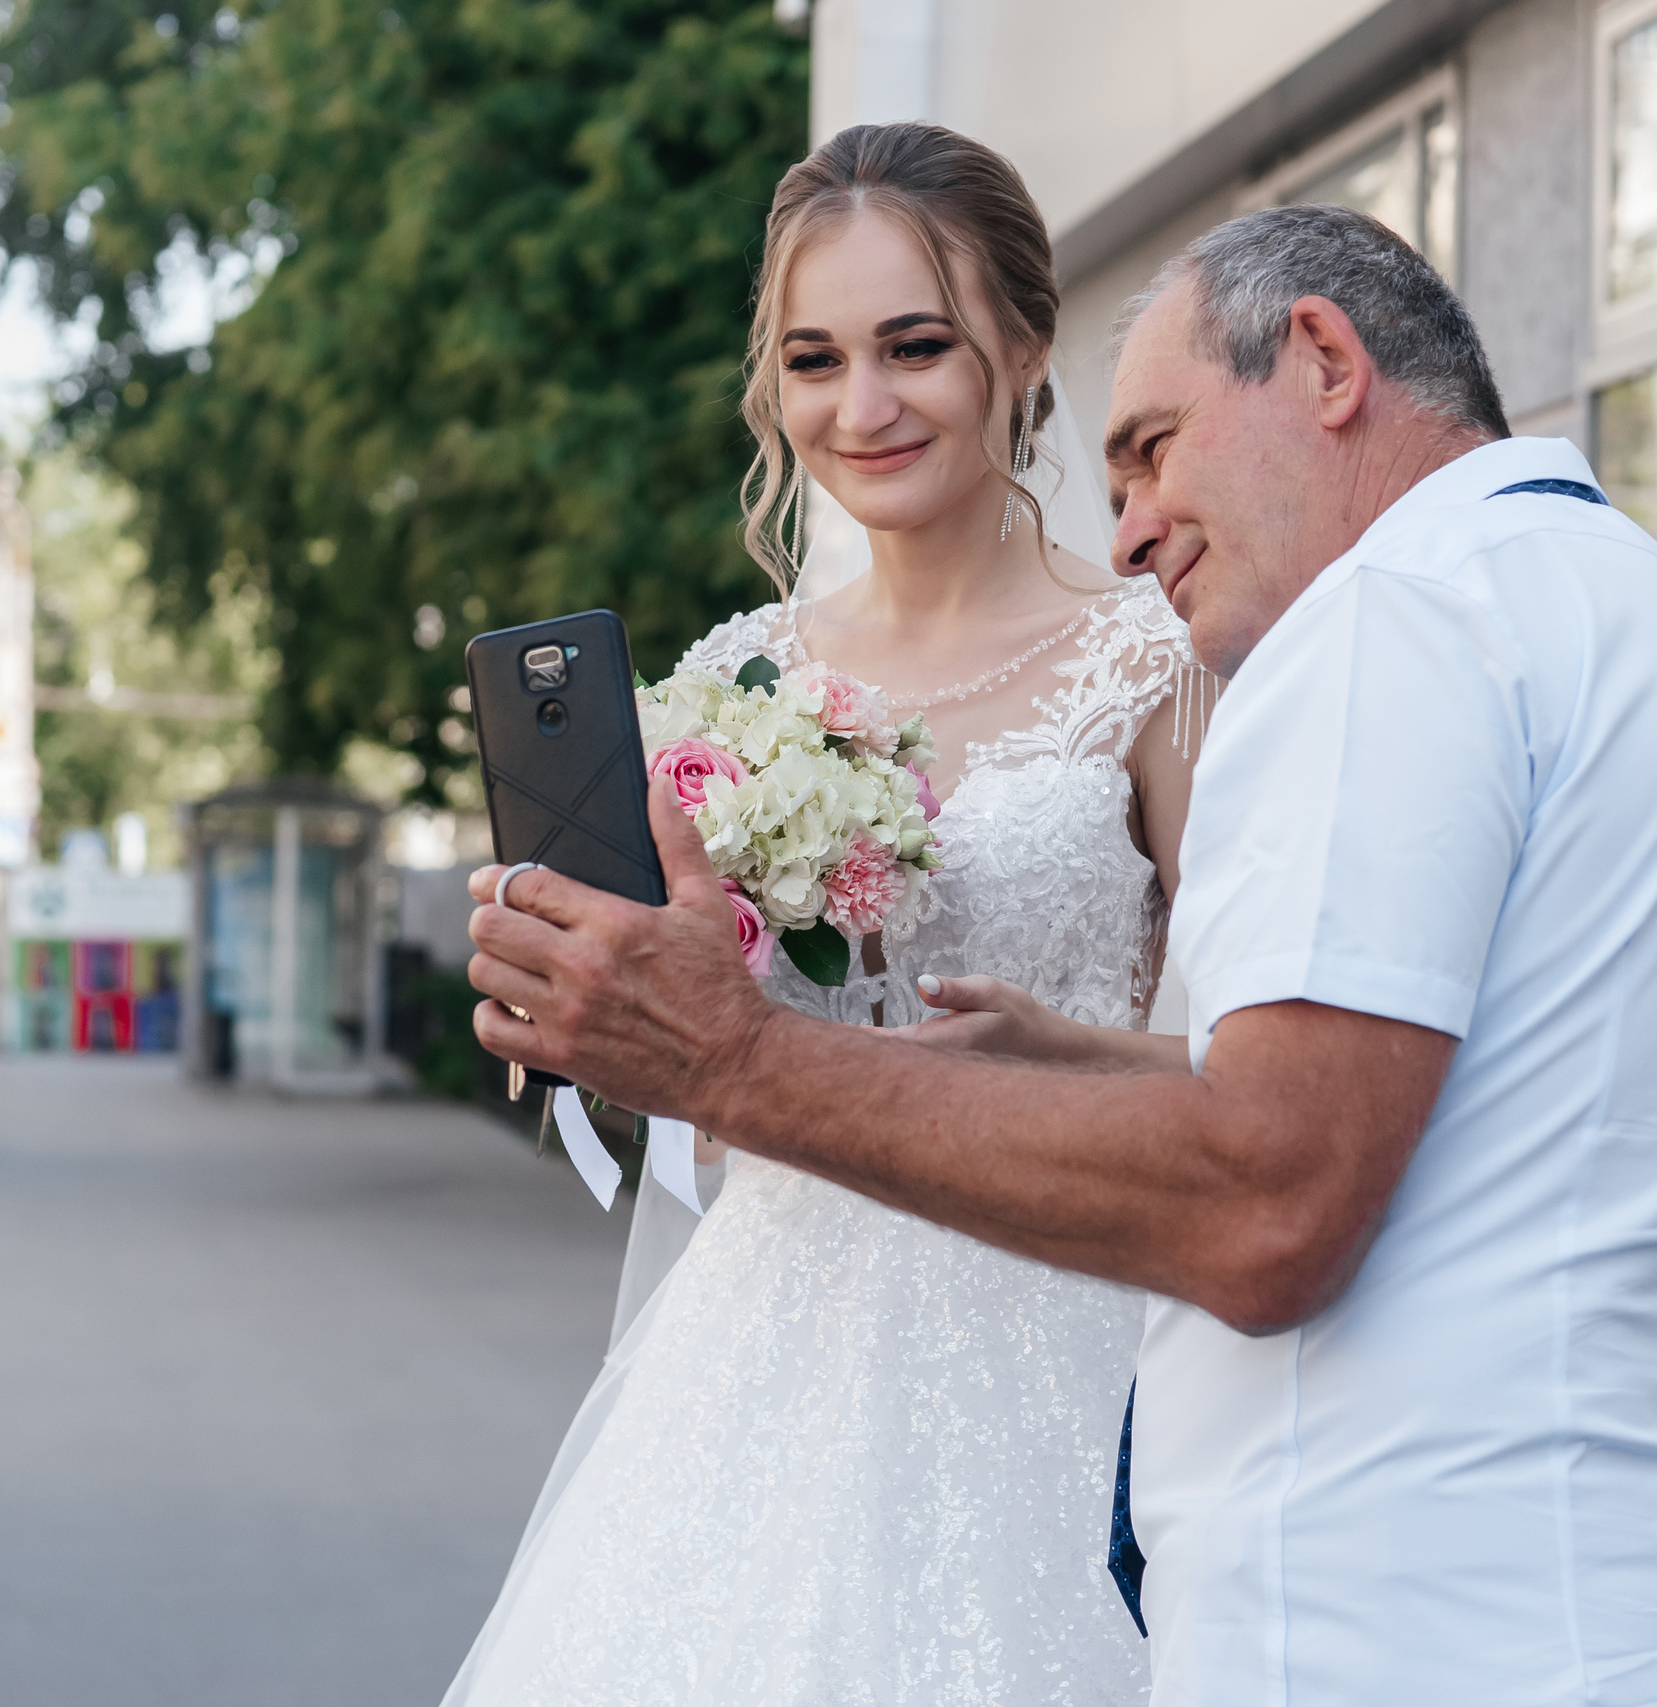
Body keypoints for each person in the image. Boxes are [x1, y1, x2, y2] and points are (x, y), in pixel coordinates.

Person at [468, 204, 1657, 1703]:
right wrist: (1637, 1610)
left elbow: (1271, 1205)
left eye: (1155, 446)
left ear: (1321, 359)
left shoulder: (1389, 625)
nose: (1132, 526)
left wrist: (734, 1056)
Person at [442, 123, 1202, 1707]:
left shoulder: (1158, 662)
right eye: (815, 358)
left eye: (915, 346)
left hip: (1068, 1328)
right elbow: (695, 1093)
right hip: (760, 1361)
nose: (863, 408)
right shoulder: (734, 680)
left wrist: (1072, 1062)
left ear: (1024, 346)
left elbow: (1252, 1066)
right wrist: (567, 982)